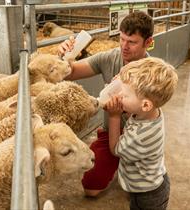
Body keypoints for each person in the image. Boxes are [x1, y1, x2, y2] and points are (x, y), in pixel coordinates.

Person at [58, 11, 154, 197]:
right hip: (110, 132)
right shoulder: (110, 57)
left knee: (142, 189)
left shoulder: (153, 72)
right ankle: (115, 160)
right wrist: (64, 56)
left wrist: (121, 109)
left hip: (138, 136)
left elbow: (151, 114)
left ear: (148, 42)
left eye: (132, 42)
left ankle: (127, 160)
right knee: (91, 188)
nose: (124, 47)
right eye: (122, 39)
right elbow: (71, 72)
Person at [105, 57, 178, 210]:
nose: (119, 95)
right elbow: (135, 106)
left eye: (124, 95)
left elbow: (114, 149)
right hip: (153, 182)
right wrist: (123, 83)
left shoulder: (140, 137)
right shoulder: (152, 111)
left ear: (145, 105)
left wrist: (114, 116)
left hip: (147, 195)